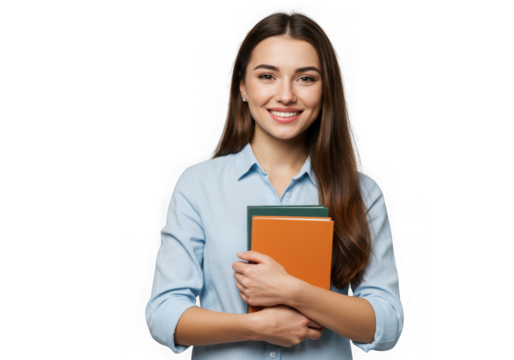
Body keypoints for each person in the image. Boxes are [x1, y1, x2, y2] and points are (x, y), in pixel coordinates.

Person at [145, 8, 404, 358]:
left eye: (305, 78)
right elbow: (163, 315)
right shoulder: (197, 184)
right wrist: (254, 327)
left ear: (326, 89)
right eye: (267, 76)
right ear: (242, 86)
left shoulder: (363, 193)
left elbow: (386, 324)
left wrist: (295, 292)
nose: (285, 95)